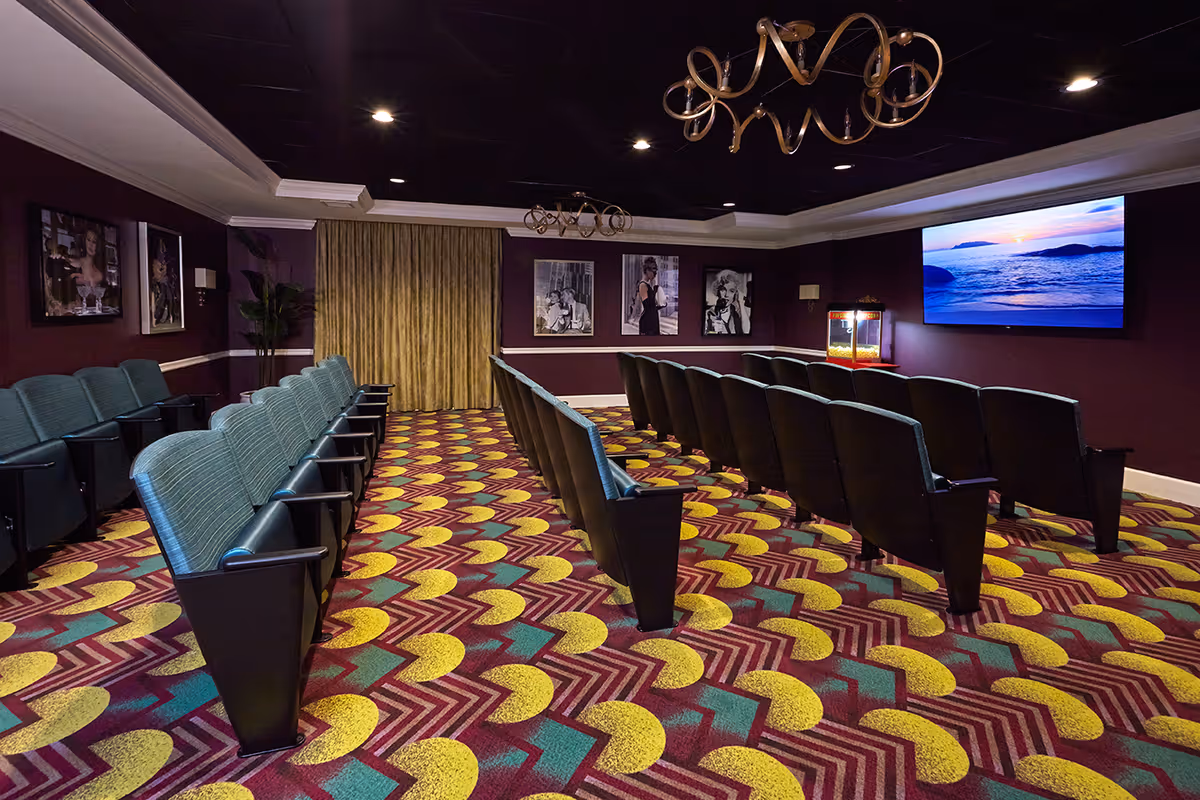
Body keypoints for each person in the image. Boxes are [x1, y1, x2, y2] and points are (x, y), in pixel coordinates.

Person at [630, 257, 667, 335]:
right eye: (653, 272)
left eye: (656, 272)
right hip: (648, 321)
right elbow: (647, 304)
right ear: (647, 271)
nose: (655, 274)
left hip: (652, 319)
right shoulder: (643, 285)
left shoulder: (646, 285)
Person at [705, 270, 748, 334]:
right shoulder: (709, 314)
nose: (726, 295)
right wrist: (713, 331)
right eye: (723, 290)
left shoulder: (737, 313)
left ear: (736, 294)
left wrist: (740, 302)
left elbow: (746, 332)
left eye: (731, 291)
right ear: (718, 291)